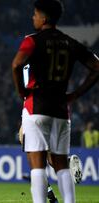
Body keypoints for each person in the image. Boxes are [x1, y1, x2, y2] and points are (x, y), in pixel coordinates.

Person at [11, 0, 99, 202]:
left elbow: (16, 65)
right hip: (61, 109)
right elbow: (97, 66)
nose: (33, 17)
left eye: (35, 14)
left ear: (44, 18)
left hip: (36, 106)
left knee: (37, 165)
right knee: (61, 165)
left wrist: (21, 92)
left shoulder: (32, 41)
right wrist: (76, 94)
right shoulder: (70, 42)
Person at [19, 126, 83, 203]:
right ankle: (67, 162)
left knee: (36, 166)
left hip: (33, 124)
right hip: (49, 125)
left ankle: (51, 198)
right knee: (51, 161)